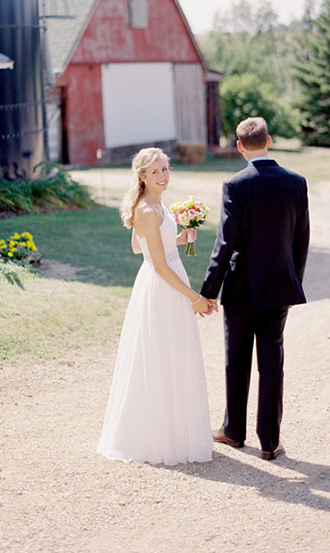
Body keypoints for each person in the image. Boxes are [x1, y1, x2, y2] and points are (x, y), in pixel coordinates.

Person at [200, 117, 310, 460]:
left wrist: (208, 291)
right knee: (272, 361)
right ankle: (269, 441)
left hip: (241, 290)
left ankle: (233, 431)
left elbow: (225, 242)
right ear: (270, 140)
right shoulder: (296, 183)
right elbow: (301, 239)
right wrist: (295, 285)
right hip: (279, 287)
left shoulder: (236, 185)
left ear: (239, 147)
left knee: (237, 360)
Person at [97, 147, 214, 465]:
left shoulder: (153, 206)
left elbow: (139, 246)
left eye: (165, 169)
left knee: (169, 355)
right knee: (164, 355)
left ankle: (174, 431)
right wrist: (195, 298)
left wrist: (176, 239)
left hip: (164, 279)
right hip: (163, 286)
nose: (163, 176)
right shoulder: (148, 210)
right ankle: (160, 438)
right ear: (143, 177)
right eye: (156, 172)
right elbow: (159, 266)